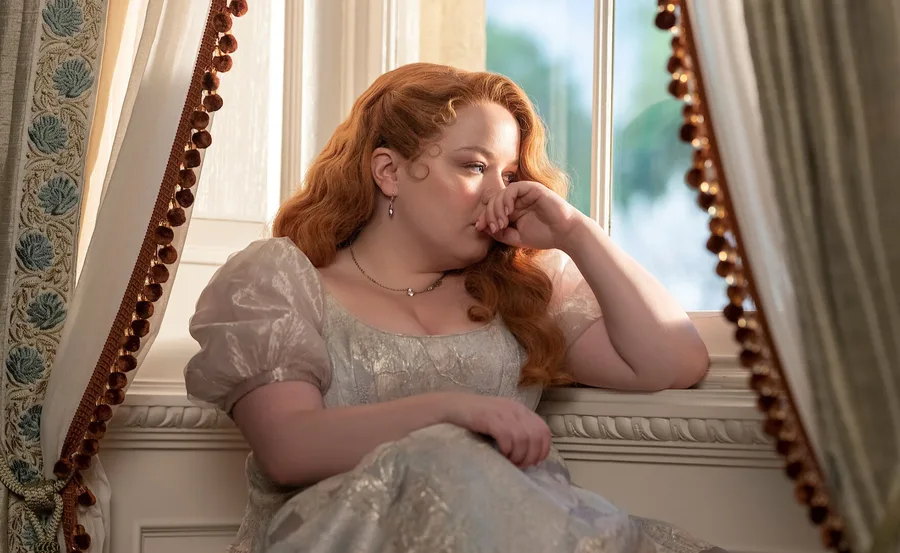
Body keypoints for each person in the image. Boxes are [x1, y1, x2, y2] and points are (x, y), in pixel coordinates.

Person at [184, 63, 722, 553]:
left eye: (509, 176)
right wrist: (453, 412)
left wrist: (576, 233)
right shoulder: (280, 280)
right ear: (389, 172)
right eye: (473, 167)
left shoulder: (521, 291)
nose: (499, 195)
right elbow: (288, 447)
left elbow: (673, 362)